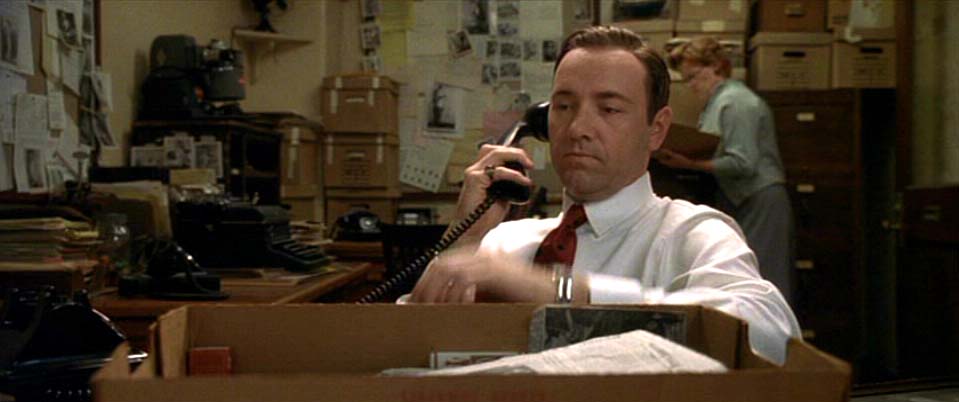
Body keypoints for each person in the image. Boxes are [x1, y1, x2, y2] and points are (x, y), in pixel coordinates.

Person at [408, 26, 799, 365]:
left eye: (609, 109)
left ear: (656, 130)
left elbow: (773, 335)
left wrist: (564, 292)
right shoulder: (501, 243)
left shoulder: (691, 232)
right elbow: (403, 349)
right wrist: (464, 237)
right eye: (564, 106)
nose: (578, 128)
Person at [656, 37, 795, 306]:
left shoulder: (736, 102)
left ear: (717, 68)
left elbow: (743, 163)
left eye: (694, 77)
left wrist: (689, 164)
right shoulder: (718, 102)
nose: (691, 86)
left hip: (760, 198)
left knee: (765, 283)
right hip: (741, 199)